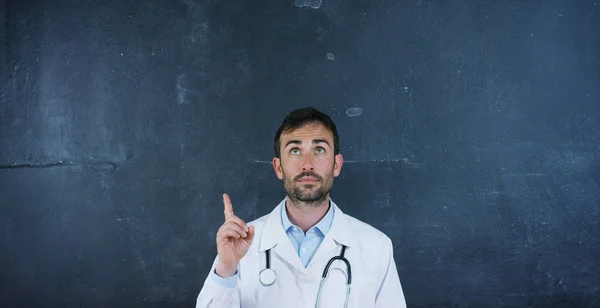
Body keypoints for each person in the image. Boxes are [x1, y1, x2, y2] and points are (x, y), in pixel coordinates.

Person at [195, 107, 407, 308]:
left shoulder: (376, 247)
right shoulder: (239, 246)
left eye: (319, 149)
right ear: (278, 167)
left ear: (337, 165)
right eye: (295, 150)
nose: (307, 164)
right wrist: (226, 269)